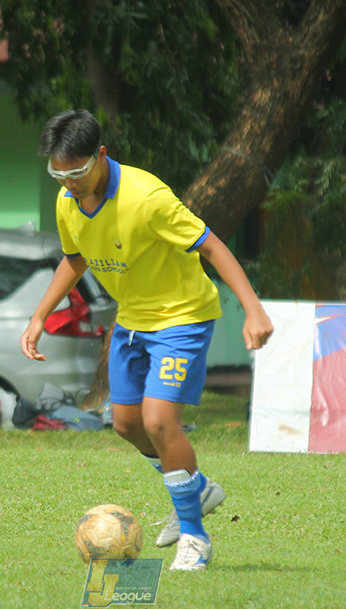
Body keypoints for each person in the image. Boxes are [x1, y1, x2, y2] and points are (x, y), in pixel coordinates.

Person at [20, 109, 274, 572]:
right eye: (58, 173)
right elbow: (74, 260)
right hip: (132, 322)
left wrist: (253, 308)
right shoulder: (66, 201)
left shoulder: (147, 197)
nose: (69, 182)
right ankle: (195, 488)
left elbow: (212, 245)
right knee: (126, 424)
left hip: (182, 317)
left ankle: (194, 534)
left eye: (77, 172)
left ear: (101, 155)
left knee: (159, 422)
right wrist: (40, 314)